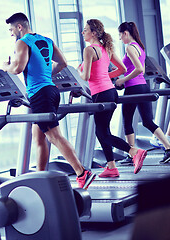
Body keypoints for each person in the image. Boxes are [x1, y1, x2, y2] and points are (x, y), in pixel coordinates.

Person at [2, 12, 95, 189]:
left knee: (54, 136)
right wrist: (45, 75)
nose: (12, 33)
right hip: (51, 90)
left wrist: (5, 66)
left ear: (19, 27)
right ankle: (41, 177)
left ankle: (82, 172)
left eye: (12, 29)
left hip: (40, 94)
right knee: (38, 138)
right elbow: (63, 63)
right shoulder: (46, 40)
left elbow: (17, 68)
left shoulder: (22, 43)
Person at [77, 19, 147, 178]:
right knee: (102, 131)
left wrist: (78, 73)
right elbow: (121, 69)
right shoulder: (106, 48)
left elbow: (86, 76)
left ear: (93, 33)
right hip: (111, 92)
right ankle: (111, 167)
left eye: (85, 30)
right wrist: (104, 76)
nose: (83, 32)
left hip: (100, 94)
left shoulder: (89, 50)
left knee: (103, 133)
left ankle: (134, 152)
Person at [117, 21, 170, 164]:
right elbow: (142, 70)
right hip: (143, 87)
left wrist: (122, 80)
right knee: (147, 122)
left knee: (127, 122)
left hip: (133, 88)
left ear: (126, 33)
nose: (120, 39)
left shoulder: (129, 48)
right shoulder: (140, 47)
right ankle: (168, 147)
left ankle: (132, 155)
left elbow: (140, 69)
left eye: (120, 35)